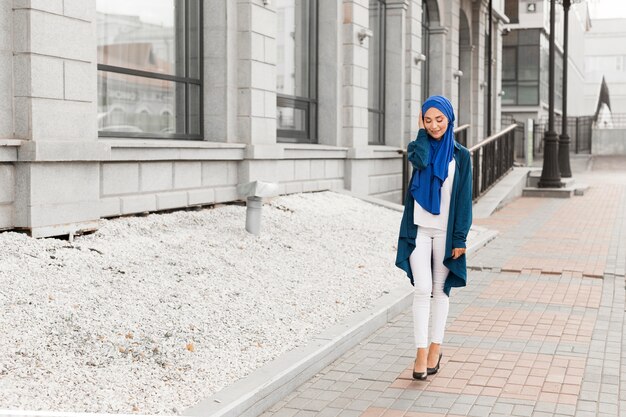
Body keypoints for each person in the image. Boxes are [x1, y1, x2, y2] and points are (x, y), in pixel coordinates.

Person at [395, 95, 472, 380]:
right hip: (418, 229)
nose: (434, 125)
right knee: (421, 289)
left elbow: (464, 199)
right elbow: (421, 159)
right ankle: (419, 351)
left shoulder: (462, 155)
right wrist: (421, 131)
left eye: (440, 119)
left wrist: (460, 238)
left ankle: (434, 348)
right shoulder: (418, 147)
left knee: (439, 291)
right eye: (428, 120)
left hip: (444, 232)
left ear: (450, 119)